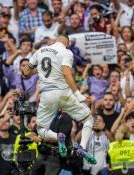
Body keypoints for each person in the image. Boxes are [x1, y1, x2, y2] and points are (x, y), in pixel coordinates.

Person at [24, 35, 96, 164]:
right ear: (67, 43)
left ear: (55, 41)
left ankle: (58, 136)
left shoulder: (39, 52)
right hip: (64, 93)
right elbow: (66, 73)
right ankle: (83, 147)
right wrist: (78, 94)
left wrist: (37, 69)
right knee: (88, 119)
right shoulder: (66, 52)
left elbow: (25, 72)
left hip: (46, 94)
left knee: (40, 129)